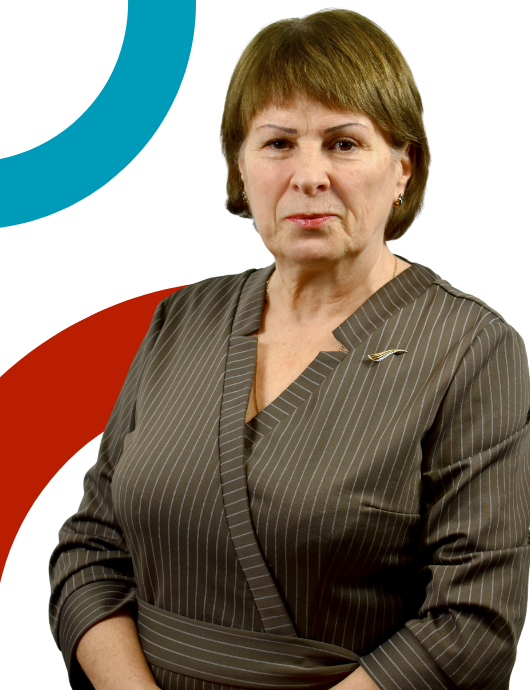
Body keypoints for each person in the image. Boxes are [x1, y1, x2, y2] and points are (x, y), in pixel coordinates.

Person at [49, 9, 530, 690]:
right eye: (278, 143)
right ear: (240, 168)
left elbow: (471, 624)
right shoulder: (182, 319)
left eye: (343, 143)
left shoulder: (471, 351)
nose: (309, 176)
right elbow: (90, 551)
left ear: (403, 168)